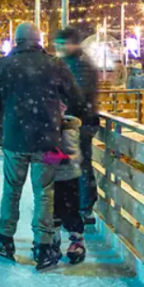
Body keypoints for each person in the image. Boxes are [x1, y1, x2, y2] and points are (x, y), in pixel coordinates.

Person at [0, 23, 83, 271]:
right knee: (45, 192)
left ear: (16, 41)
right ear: (39, 41)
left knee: (11, 190)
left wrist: (3, 134)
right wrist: (57, 116)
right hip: (47, 141)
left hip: (15, 140)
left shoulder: (4, 66)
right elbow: (75, 97)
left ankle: (5, 239)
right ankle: (44, 246)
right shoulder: (54, 64)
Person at [55, 27, 100, 226]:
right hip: (74, 121)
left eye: (63, 43)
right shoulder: (70, 62)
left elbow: (78, 96)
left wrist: (62, 107)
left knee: (80, 165)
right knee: (71, 164)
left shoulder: (81, 65)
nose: (59, 47)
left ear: (73, 44)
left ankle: (83, 207)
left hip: (81, 122)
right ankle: (71, 207)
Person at [50, 114, 86, 264]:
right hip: (49, 175)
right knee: (51, 210)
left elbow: (74, 155)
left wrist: (64, 160)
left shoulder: (68, 127)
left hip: (67, 176)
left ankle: (77, 239)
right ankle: (53, 239)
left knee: (69, 209)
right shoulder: (45, 124)